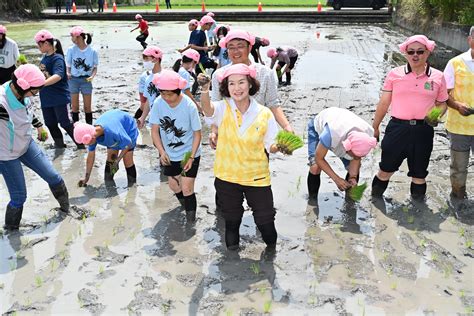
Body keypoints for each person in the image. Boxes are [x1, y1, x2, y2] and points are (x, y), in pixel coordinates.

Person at [198, 64, 281, 250]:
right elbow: (208, 111)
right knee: (232, 221)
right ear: (226, 88)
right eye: (232, 84)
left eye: (241, 82)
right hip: (227, 176)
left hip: (257, 176)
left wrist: (281, 147)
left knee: (265, 221)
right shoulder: (222, 108)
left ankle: (271, 257)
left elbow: (271, 144)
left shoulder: (264, 113)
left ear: (250, 84)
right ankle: (232, 263)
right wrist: (204, 90)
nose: (237, 88)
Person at [371, 35, 449, 200]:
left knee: (419, 175)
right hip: (397, 129)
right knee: (385, 170)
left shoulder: (438, 76)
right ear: (405, 53)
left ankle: (418, 212)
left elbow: (443, 103)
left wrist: (436, 114)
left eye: (420, 51)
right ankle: (375, 203)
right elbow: (384, 103)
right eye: (411, 51)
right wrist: (375, 126)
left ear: (427, 53)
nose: (415, 55)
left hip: (423, 130)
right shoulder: (394, 74)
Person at [0, 64, 70, 230]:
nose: (36, 94)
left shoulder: (23, 93)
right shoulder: (1, 101)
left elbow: (27, 112)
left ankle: (66, 210)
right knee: (19, 196)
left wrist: (38, 125)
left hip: (26, 143)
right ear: (23, 86)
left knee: (54, 177)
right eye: (35, 91)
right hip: (6, 154)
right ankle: (12, 232)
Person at [210, 29, 292, 133]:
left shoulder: (266, 73)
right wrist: (214, 131)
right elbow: (215, 107)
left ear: (249, 48)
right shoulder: (219, 75)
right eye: (231, 47)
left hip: (258, 132)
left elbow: (273, 104)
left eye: (240, 46)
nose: (236, 51)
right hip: (230, 134)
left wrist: (286, 126)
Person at [149, 70, 202, 222]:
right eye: (163, 94)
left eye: (170, 94)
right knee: (173, 185)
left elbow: (198, 134)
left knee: (187, 188)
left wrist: (192, 156)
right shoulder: (159, 103)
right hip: (170, 153)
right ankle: (185, 206)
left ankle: (191, 221)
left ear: (179, 92)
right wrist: (161, 151)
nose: (167, 98)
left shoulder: (189, 105)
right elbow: (154, 131)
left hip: (189, 152)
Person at [307, 107, 377, 199]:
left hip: (344, 128)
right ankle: (312, 201)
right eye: (354, 155)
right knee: (315, 167)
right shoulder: (329, 135)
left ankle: (350, 201)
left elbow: (356, 158)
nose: (356, 158)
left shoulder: (367, 135)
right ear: (347, 147)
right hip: (320, 127)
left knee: (354, 168)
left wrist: (353, 177)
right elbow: (319, 158)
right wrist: (336, 179)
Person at [35, 30, 83, 150]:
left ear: (46, 43)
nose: (38, 47)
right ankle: (59, 145)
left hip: (59, 98)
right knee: (50, 123)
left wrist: (43, 84)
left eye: (39, 45)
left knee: (66, 123)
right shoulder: (45, 58)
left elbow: (59, 75)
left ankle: (81, 145)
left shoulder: (57, 58)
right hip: (46, 98)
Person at [443, 26, 474, 200]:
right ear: (469, 39)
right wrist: (457, 105)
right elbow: (443, 95)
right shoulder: (455, 63)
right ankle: (458, 194)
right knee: (459, 166)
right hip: (459, 127)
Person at [74, 109, 139, 187]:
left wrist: (117, 161)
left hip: (128, 128)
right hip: (112, 128)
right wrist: (86, 178)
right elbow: (90, 157)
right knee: (111, 158)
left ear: (92, 137)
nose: (88, 145)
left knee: (127, 159)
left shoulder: (112, 131)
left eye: (88, 143)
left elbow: (128, 143)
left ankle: (132, 187)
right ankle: (110, 185)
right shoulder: (91, 134)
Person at [66, 26, 98, 125]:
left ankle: (89, 127)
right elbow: (68, 65)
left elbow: (95, 67)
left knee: (87, 107)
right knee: (74, 106)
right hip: (73, 80)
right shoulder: (71, 50)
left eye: (72, 36)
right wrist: (68, 72)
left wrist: (92, 76)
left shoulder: (92, 51)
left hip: (86, 80)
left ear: (79, 37)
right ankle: (76, 128)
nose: (71, 39)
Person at [137, 45, 163, 128]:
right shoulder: (148, 79)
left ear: (156, 59)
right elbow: (149, 99)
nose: (144, 62)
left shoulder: (165, 77)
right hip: (154, 118)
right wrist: (142, 117)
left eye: (146, 59)